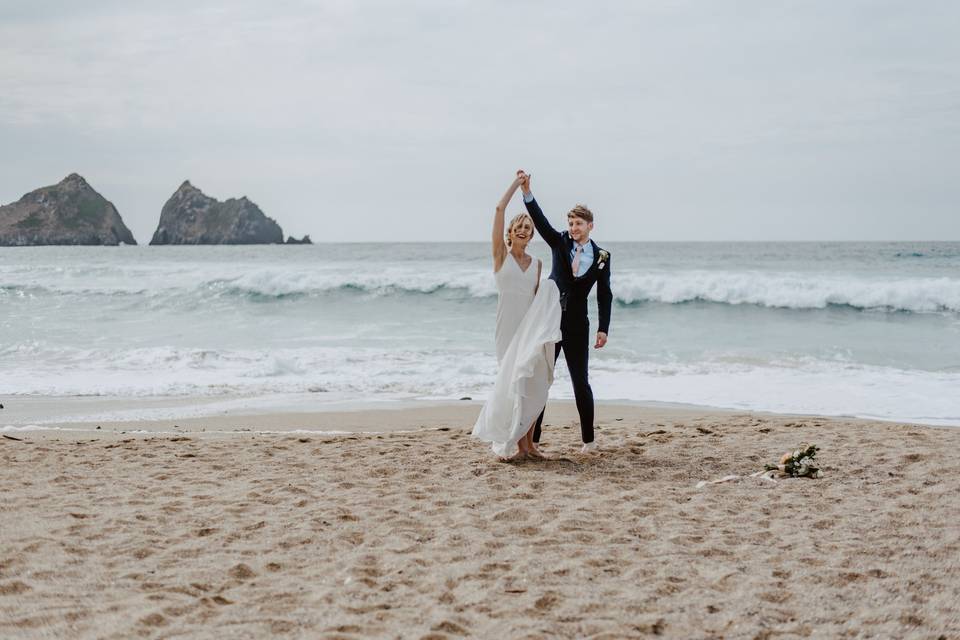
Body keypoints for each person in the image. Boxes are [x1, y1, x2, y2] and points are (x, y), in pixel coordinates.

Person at [519, 171, 612, 453]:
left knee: (580, 381)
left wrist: (603, 328)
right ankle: (533, 440)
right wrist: (527, 192)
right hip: (550, 321)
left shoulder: (602, 257)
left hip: (577, 325)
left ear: (590, 226)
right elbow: (540, 221)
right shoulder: (559, 242)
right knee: (543, 379)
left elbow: (604, 294)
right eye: (571, 223)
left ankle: (589, 442)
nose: (573, 227)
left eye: (578, 223)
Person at [472, 173, 562, 460]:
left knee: (532, 384)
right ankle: (516, 443)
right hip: (506, 331)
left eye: (528, 228)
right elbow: (499, 209)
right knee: (513, 384)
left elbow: (538, 302)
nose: (524, 231)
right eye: (519, 227)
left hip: (529, 330)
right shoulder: (501, 256)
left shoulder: (537, 264)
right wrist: (519, 186)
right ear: (510, 232)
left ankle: (529, 446)